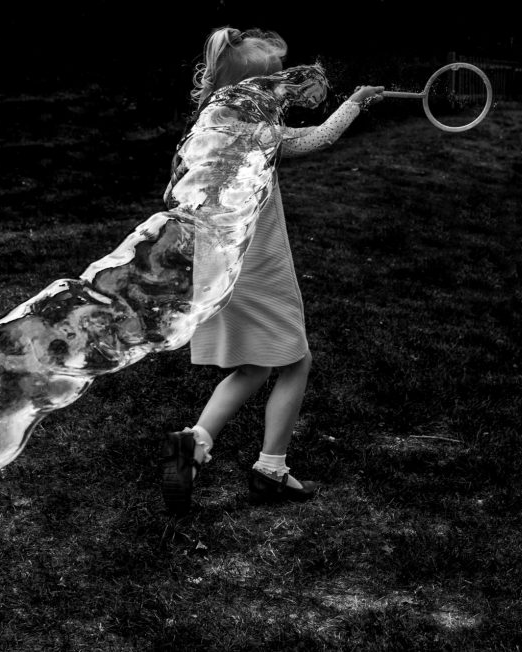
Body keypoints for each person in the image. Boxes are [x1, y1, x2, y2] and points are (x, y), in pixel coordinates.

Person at [160, 26, 384, 515]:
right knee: (296, 360)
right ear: (256, 89)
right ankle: (270, 470)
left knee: (255, 365)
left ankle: (194, 445)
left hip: (216, 265)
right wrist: (357, 102)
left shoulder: (211, 128)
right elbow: (319, 137)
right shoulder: (260, 136)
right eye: (276, 81)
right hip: (257, 267)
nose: (282, 88)